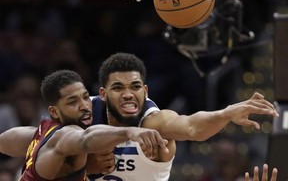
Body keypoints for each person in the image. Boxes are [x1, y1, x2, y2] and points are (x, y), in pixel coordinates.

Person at [87, 52, 279, 181]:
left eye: (135, 87)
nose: (128, 94)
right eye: (118, 87)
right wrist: (83, 165)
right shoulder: (82, 114)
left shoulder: (154, 122)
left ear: (145, 91)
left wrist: (225, 113)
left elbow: (191, 127)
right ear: (103, 94)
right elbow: (57, 147)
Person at [0, 69, 169, 180]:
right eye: (73, 102)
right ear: (54, 111)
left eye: (86, 97)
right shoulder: (65, 134)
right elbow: (85, 138)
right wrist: (129, 132)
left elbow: (6, 140)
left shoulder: (40, 132)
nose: (85, 106)